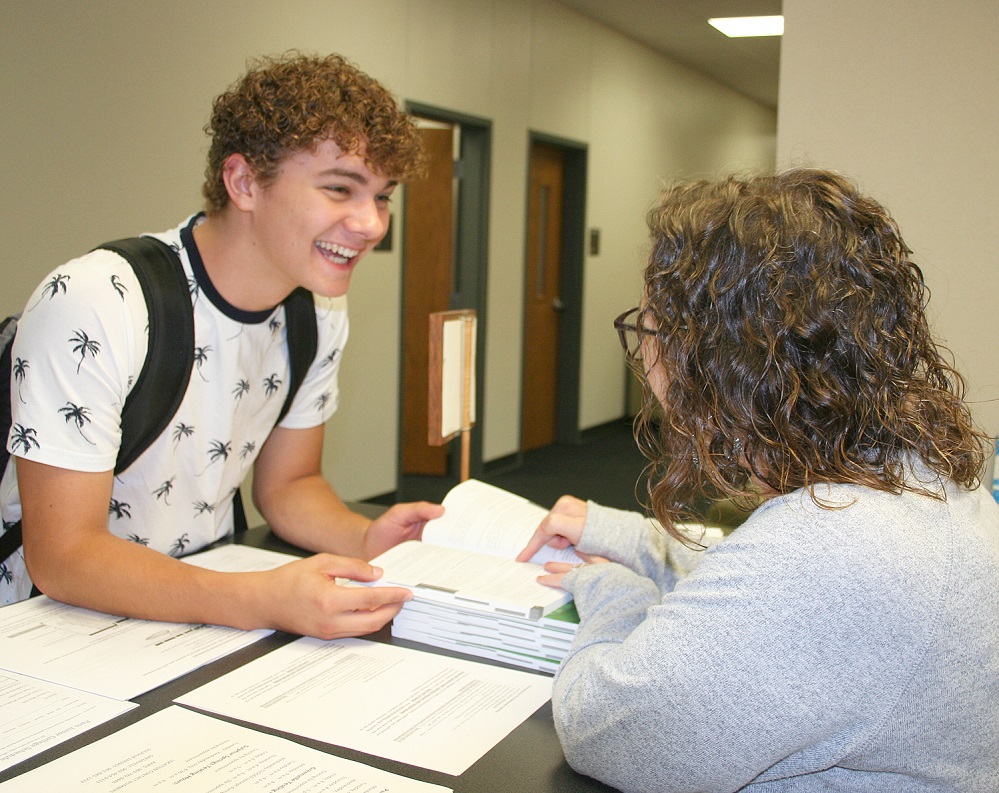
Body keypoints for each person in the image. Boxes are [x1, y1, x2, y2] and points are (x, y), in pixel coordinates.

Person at [519, 169, 999, 791]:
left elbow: (610, 734)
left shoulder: (831, 550)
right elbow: (758, 592)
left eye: (653, 330)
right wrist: (628, 539)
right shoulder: (918, 480)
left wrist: (615, 595)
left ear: (714, 358)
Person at [0, 52, 444, 639]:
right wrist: (262, 598)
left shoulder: (318, 311)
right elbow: (62, 557)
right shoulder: (100, 300)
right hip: (51, 624)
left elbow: (289, 485)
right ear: (242, 183)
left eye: (384, 196)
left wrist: (364, 538)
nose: (371, 224)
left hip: (202, 604)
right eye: (341, 189)